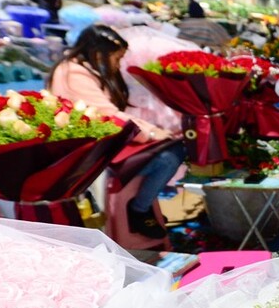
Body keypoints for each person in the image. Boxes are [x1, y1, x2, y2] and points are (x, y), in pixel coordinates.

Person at [49, 25, 184, 239]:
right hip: (91, 155)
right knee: (171, 155)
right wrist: (148, 133)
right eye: (116, 58)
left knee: (170, 148)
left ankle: (142, 208)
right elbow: (106, 113)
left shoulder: (79, 70)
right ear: (98, 53)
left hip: (101, 146)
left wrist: (150, 131)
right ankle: (139, 210)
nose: (117, 65)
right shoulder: (73, 74)